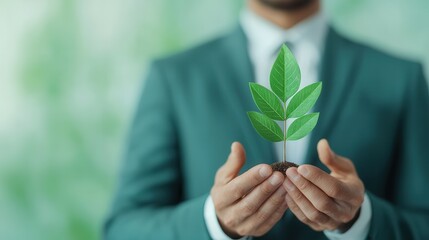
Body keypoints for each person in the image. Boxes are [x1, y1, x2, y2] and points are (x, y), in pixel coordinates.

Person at [104, 0, 429, 239]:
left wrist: (359, 220)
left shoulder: (400, 77)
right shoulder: (174, 78)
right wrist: (214, 223)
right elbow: (123, 229)